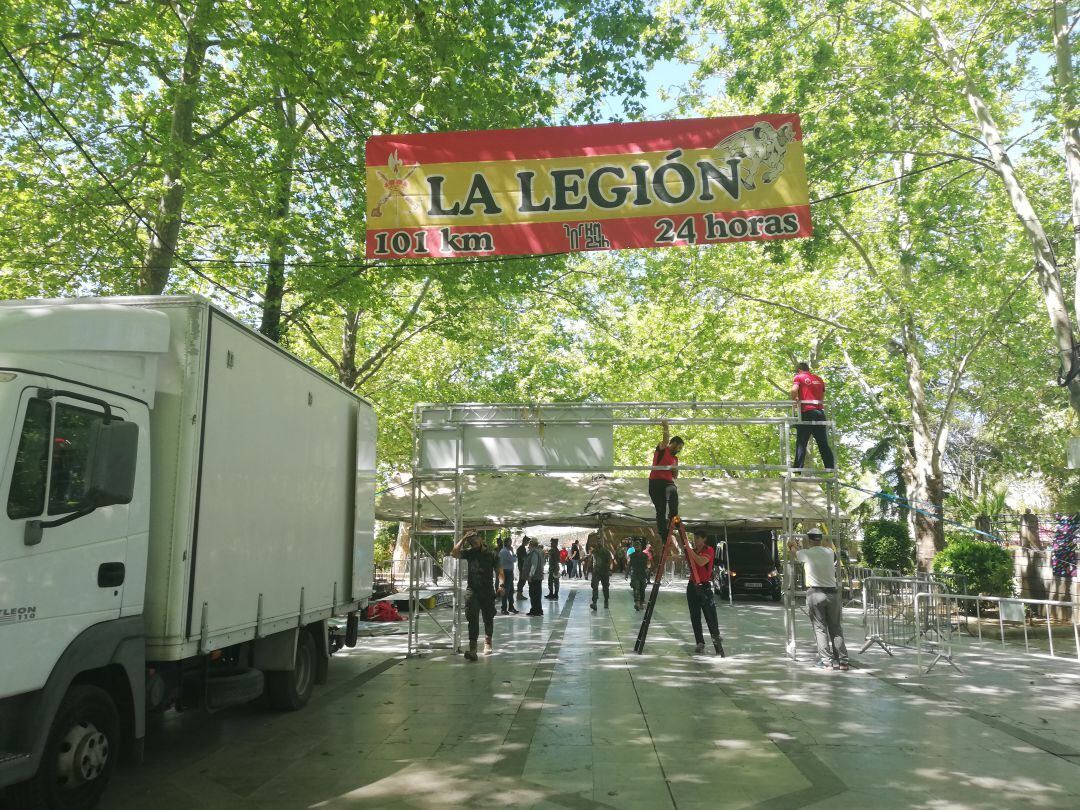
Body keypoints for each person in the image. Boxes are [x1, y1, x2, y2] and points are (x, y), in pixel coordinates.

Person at [789, 528, 848, 670]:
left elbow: (794, 551)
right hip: (832, 594)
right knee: (836, 628)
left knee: (820, 628)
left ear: (809, 540)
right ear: (820, 539)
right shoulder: (829, 552)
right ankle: (843, 661)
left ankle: (827, 661)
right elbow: (828, 547)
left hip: (815, 593)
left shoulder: (806, 553)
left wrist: (792, 544)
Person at [451, 530, 504, 661]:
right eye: (470, 542)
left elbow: (500, 571)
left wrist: (501, 585)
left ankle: (488, 643)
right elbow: (454, 553)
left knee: (488, 617)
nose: (473, 544)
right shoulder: (470, 553)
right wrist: (463, 538)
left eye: (474, 541)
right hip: (472, 591)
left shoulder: (492, 554)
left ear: (481, 539)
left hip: (487, 591)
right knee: (472, 618)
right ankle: (473, 649)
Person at [791, 362, 835, 470]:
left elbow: (793, 390)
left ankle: (797, 470)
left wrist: (795, 399)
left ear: (799, 370)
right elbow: (822, 396)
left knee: (801, 443)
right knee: (823, 443)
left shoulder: (799, 377)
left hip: (806, 413)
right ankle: (830, 468)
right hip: (820, 413)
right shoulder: (819, 379)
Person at [684, 534, 724, 655]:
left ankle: (716, 636)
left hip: (704, 586)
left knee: (710, 613)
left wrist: (690, 550)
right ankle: (699, 642)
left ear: (704, 538)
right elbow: (684, 557)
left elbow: (701, 562)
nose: (695, 540)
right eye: (694, 538)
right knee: (694, 615)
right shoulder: (694, 551)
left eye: (698, 538)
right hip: (692, 585)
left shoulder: (709, 550)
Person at [649, 420, 684, 540]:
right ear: (673, 443)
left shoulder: (675, 458)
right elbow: (665, 440)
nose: (679, 450)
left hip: (668, 483)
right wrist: (666, 426)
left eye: (680, 448)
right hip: (655, 483)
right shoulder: (663, 449)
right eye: (678, 447)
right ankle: (663, 535)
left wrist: (675, 469)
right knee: (660, 509)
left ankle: (673, 517)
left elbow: (675, 476)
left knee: (673, 493)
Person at [589, 536, 613, 611]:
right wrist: (588, 570)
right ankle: (594, 603)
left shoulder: (606, 551)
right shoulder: (594, 551)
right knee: (594, 587)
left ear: (603, 542)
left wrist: (609, 570)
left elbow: (609, 561)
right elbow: (591, 560)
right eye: (597, 541)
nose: (598, 542)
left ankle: (606, 600)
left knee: (605, 587)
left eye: (600, 541)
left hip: (604, 572)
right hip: (596, 572)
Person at [524, 537, 546, 616]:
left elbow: (534, 565)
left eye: (530, 543)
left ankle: (535, 611)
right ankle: (537, 610)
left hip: (535, 577)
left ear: (532, 544)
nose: (528, 545)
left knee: (534, 594)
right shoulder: (538, 552)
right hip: (538, 577)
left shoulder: (534, 553)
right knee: (536, 594)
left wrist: (530, 575)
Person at [498, 537, 518, 615]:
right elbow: (514, 559)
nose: (511, 544)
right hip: (506, 572)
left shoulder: (505, 551)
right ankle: (504, 608)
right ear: (508, 543)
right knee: (506, 591)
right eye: (510, 542)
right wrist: (513, 552)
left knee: (511, 590)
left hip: (508, 572)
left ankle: (511, 606)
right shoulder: (505, 552)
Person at [628, 540, 650, 611]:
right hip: (635, 575)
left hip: (642, 575)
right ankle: (637, 603)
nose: (637, 547)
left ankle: (641, 603)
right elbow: (629, 565)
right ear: (634, 547)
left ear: (640, 547)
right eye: (635, 546)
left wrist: (648, 572)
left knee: (642, 590)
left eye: (638, 546)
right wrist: (626, 573)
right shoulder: (631, 556)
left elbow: (648, 565)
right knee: (636, 589)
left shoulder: (645, 556)